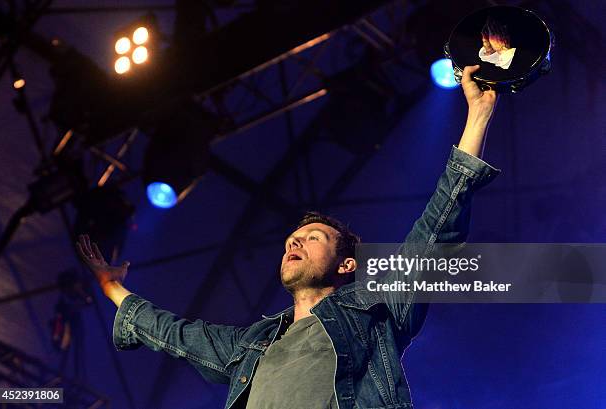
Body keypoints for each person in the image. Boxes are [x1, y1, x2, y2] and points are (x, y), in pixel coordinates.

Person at [76, 65, 501, 409]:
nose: (293, 243)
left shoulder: (377, 313)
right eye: (290, 241)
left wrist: (477, 114)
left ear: (346, 264)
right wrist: (113, 288)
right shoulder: (252, 345)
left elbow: (434, 231)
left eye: (313, 237)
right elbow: (176, 335)